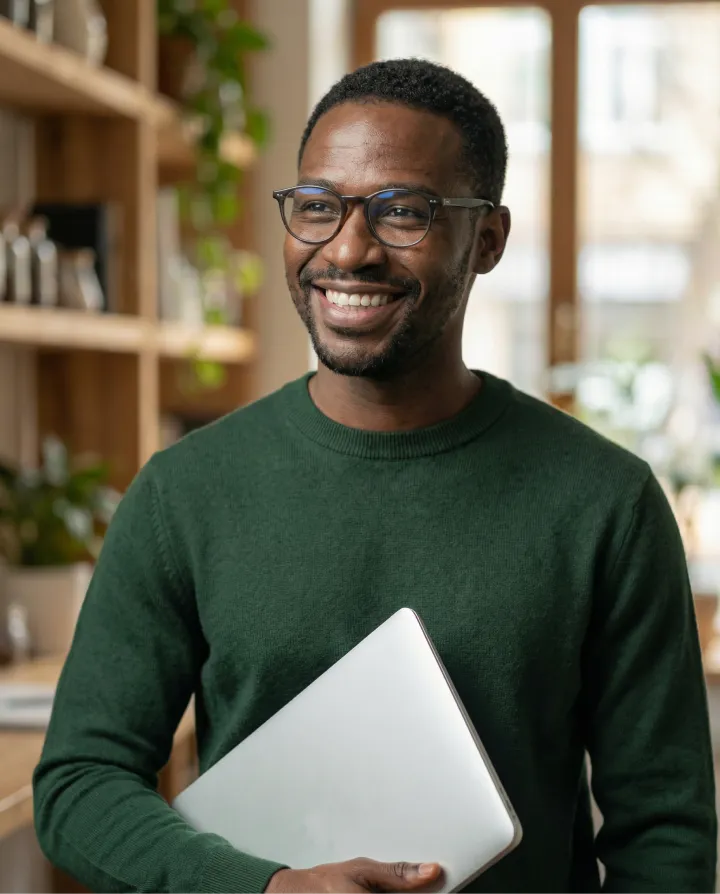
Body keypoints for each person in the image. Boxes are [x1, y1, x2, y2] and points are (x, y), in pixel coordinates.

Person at [34, 58, 716, 894]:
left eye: (403, 212)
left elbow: (666, 835)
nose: (347, 250)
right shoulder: (183, 494)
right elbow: (78, 786)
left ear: (488, 239)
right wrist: (267, 889)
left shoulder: (606, 502)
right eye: (317, 206)